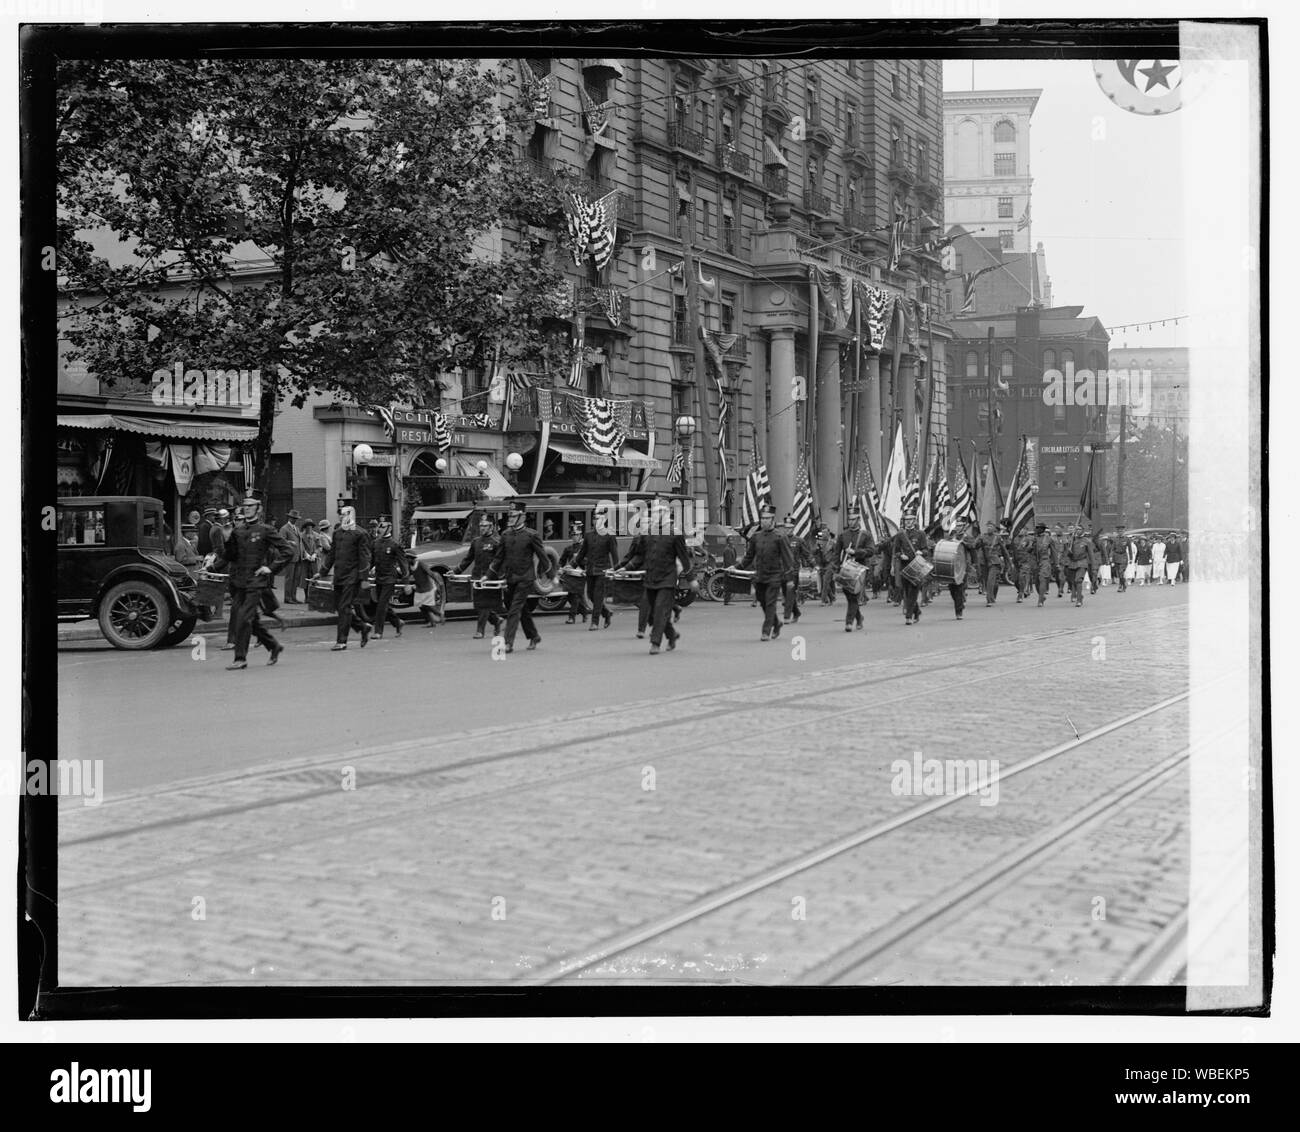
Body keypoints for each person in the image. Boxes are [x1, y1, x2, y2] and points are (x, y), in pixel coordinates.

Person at [212, 496, 290, 670]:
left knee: (243, 619)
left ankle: (240, 659)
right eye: (244, 506)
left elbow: (288, 551)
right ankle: (273, 646)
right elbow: (230, 555)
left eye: (250, 506)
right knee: (251, 621)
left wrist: (270, 568)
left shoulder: (265, 530)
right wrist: (226, 541)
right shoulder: (237, 531)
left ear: (258, 509)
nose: (246, 508)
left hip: (256, 582)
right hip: (239, 582)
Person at [489, 500, 554, 653]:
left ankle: (507, 643)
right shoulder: (505, 535)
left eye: (513, 515)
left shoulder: (531, 535)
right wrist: (488, 575)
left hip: (526, 578)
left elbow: (543, 557)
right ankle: (534, 636)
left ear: (522, 517)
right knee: (521, 609)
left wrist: (551, 576)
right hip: (510, 577)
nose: (510, 518)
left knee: (514, 610)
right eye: (509, 515)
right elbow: (498, 558)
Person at [641, 506, 693, 655]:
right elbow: (639, 555)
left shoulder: (675, 535)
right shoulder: (649, 534)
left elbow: (684, 558)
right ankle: (671, 635)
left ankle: (655, 643)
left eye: (658, 514)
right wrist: (623, 567)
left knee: (659, 610)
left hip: (667, 579)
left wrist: (691, 579)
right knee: (652, 615)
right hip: (651, 578)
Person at [740, 506, 795, 642]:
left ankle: (766, 631)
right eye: (762, 518)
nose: (764, 521)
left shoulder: (780, 537)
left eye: (767, 518)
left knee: (770, 603)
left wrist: (789, 579)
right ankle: (776, 623)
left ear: (772, 519)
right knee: (763, 602)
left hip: (775, 576)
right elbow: (749, 556)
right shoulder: (756, 537)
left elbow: (788, 559)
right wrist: (736, 567)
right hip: (760, 576)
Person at [323, 505, 372, 650]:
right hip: (339, 575)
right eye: (340, 514)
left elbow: (364, 557)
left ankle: (341, 641)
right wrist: (322, 571)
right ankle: (362, 627)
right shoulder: (337, 533)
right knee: (340, 607)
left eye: (344, 514)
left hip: (353, 577)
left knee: (344, 607)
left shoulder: (360, 533)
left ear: (351, 515)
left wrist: (364, 578)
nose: (341, 517)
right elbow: (332, 554)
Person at [458, 515, 504, 639]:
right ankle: (496, 620)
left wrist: (498, 575)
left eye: (485, 525)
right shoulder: (476, 542)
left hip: (490, 578)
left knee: (484, 604)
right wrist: (457, 571)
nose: (482, 528)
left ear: (491, 526)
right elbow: (468, 559)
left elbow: (500, 561)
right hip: (477, 577)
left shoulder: (497, 541)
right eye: (481, 526)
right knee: (478, 605)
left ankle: (480, 631)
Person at [574, 517, 619, 631]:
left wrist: (617, 569)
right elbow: (582, 552)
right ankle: (606, 613)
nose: (596, 521)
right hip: (590, 570)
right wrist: (573, 565)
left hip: (603, 570)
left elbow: (614, 554)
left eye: (599, 518)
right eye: (594, 518)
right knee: (590, 595)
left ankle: (594, 622)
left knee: (598, 596)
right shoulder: (588, 534)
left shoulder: (609, 535)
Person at [369, 516, 409, 638]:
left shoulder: (395, 544)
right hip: (379, 578)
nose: (379, 529)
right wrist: (365, 573)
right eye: (379, 526)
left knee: (381, 605)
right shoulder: (375, 543)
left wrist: (406, 582)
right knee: (381, 604)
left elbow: (403, 564)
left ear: (389, 528)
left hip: (389, 579)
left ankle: (378, 632)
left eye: (382, 526)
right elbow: (371, 561)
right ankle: (398, 622)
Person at [833, 509, 871, 632]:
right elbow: (836, 554)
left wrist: (856, 552)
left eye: (854, 519)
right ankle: (859, 618)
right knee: (849, 596)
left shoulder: (865, 534)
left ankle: (849, 622)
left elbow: (871, 551)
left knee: (853, 595)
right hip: (845, 569)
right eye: (849, 519)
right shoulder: (843, 535)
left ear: (859, 520)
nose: (851, 521)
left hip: (860, 569)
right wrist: (836, 570)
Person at [892, 509, 932, 626]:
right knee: (907, 592)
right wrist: (901, 555)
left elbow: (926, 550)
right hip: (904, 567)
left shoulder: (921, 534)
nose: (908, 522)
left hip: (917, 566)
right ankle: (917, 611)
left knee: (913, 592)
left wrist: (921, 552)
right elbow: (896, 551)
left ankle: (909, 616)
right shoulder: (900, 535)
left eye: (910, 520)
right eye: (906, 520)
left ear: (914, 521)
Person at [950, 521, 981, 619]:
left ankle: (959, 611)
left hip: (963, 565)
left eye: (960, 526)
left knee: (960, 587)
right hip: (952, 566)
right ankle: (960, 602)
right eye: (957, 526)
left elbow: (973, 550)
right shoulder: (952, 537)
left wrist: (974, 564)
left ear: (963, 527)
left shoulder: (967, 537)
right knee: (952, 589)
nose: (958, 527)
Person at [558, 526, 588, 624]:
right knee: (569, 596)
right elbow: (561, 561)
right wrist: (560, 568)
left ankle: (572, 617)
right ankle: (584, 612)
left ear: (581, 536)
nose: (574, 537)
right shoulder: (568, 549)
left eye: (577, 535)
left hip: (580, 575)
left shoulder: (584, 548)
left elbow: (587, 561)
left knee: (575, 596)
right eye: (573, 535)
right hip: (570, 575)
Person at [975, 521, 1009, 606]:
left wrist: (1008, 562)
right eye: (988, 526)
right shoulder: (982, 536)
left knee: (991, 581)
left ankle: (989, 600)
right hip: (984, 561)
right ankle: (992, 596)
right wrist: (979, 542)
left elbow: (1004, 550)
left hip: (994, 562)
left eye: (991, 526)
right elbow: (975, 546)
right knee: (987, 581)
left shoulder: (997, 537)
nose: (989, 528)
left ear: (994, 528)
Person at [779, 515, 804, 624]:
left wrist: (814, 565)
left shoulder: (799, 541)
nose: (788, 530)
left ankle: (787, 616)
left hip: (794, 571)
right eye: (786, 528)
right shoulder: (780, 540)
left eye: (790, 528)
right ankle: (796, 612)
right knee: (787, 594)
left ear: (793, 528)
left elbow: (807, 554)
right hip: (782, 571)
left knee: (790, 593)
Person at [1065, 524, 1097, 607]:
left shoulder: (1087, 541)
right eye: (1077, 529)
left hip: (1082, 562)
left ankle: (1079, 600)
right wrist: (1068, 552)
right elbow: (1066, 553)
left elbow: (1091, 555)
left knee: (1078, 580)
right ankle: (1078, 594)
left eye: (1079, 529)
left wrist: (1093, 567)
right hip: (1072, 563)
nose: (1078, 531)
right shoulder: (1071, 540)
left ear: (1083, 530)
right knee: (1072, 581)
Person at [278, 509, 306, 603]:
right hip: (290, 557)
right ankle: (287, 598)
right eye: (293, 518)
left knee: (296, 578)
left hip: (298, 557)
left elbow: (300, 542)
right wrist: (290, 542)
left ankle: (293, 597)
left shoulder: (297, 529)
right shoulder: (284, 528)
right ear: (289, 518)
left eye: (296, 518)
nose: (294, 520)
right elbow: (280, 541)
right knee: (289, 578)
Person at [410, 555, 443, 628]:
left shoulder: (420, 564)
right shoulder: (410, 566)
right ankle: (431, 622)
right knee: (421, 605)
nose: (406, 560)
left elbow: (430, 573)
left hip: (427, 587)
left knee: (426, 605)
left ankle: (439, 613)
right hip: (419, 588)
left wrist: (438, 581)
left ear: (412, 559)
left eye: (407, 559)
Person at [1032, 521, 1058, 607]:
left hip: (1045, 561)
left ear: (1042, 529)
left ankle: (1040, 600)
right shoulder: (1033, 538)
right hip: (1036, 561)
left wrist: (1056, 563)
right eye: (1036, 528)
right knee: (1036, 582)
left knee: (1042, 579)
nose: (1037, 529)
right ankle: (1041, 595)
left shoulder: (1049, 539)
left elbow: (1054, 552)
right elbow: (1029, 550)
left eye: (1038, 528)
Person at [1013, 531, 1035, 603]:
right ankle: (1022, 590)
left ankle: (1020, 594)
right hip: (1016, 561)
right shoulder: (1014, 539)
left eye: (1022, 529)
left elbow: (1031, 549)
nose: (1020, 531)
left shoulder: (1028, 539)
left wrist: (1030, 547)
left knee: (1022, 577)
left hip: (1025, 561)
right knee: (1015, 580)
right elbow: (1012, 550)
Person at [1110, 523, 1133, 593]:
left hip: (1123, 556)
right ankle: (1124, 584)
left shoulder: (1127, 539)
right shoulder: (1115, 539)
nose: (1120, 532)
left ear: (1124, 531)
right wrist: (1111, 556)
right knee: (1118, 573)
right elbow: (1112, 549)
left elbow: (1130, 549)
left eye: (1121, 531)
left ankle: (1120, 585)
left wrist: (1131, 558)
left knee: (1121, 572)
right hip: (1116, 556)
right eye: (1119, 531)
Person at [721, 535, 739, 606]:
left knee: (730, 585)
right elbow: (728, 562)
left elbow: (734, 558)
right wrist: (730, 569)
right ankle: (726, 601)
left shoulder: (733, 548)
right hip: (729, 569)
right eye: (730, 540)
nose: (731, 541)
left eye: (732, 540)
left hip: (732, 568)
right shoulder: (727, 550)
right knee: (728, 585)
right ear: (727, 541)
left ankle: (728, 600)